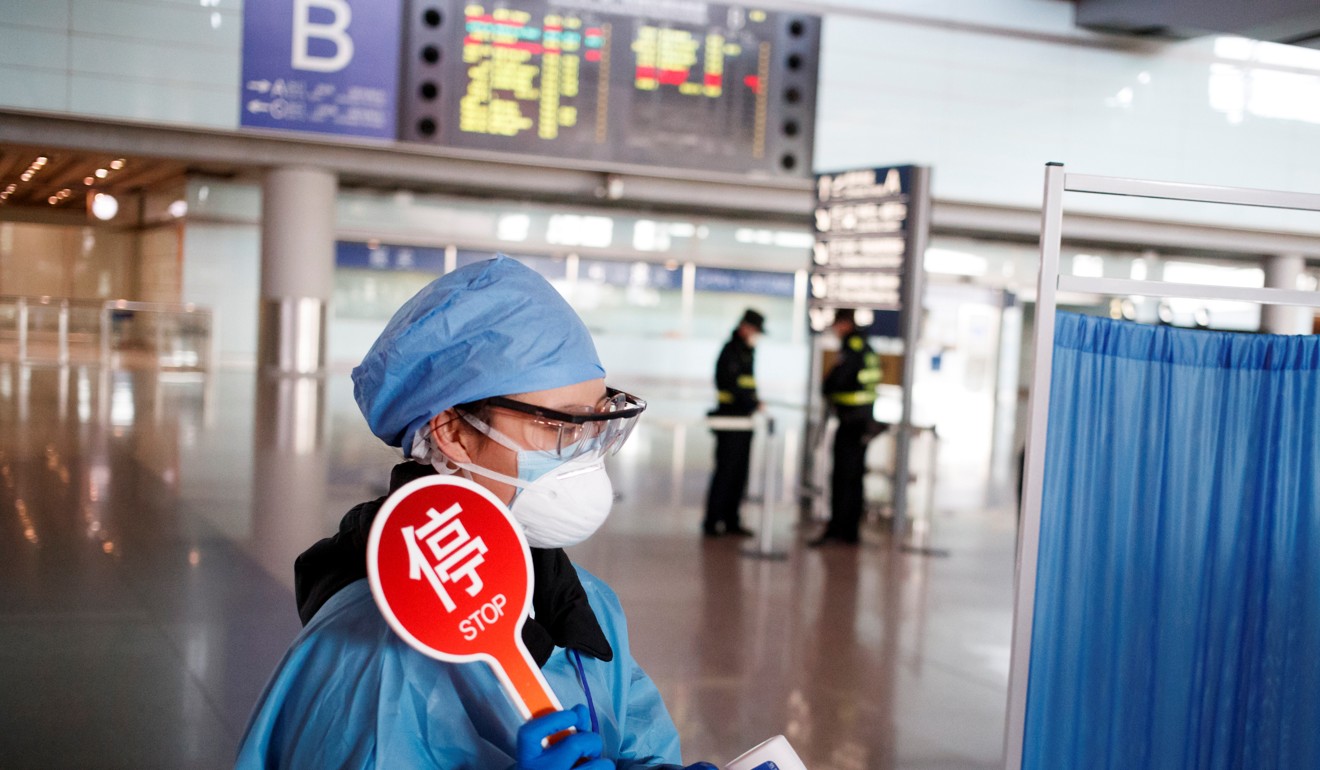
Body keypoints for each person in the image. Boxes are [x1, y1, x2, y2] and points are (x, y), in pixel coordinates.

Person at [236, 256, 715, 770]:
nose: (584, 454)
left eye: (594, 425)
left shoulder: (585, 606)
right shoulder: (370, 657)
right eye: (560, 428)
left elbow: (637, 743)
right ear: (455, 434)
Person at [810, 308, 883, 547]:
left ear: (844, 325)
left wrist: (827, 388)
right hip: (863, 422)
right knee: (855, 478)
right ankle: (850, 530)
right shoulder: (867, 347)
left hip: (851, 423)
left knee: (843, 478)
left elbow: (836, 381)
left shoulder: (852, 348)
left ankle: (838, 530)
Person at [702, 308, 764, 538]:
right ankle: (713, 521)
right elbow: (731, 385)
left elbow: (747, 386)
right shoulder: (731, 351)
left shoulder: (747, 351)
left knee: (739, 472)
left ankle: (731, 520)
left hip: (743, 420)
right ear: (745, 327)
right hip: (730, 418)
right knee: (726, 471)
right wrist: (752, 403)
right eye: (755, 330)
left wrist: (754, 403)